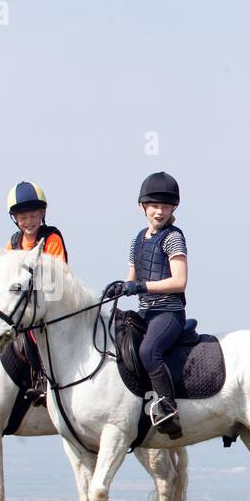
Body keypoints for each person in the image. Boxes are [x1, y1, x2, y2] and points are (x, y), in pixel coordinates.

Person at [104, 172, 188, 438]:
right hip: (145, 312)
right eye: (154, 206)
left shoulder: (173, 237)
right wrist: (120, 287)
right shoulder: (137, 239)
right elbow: (131, 278)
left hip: (168, 313)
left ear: (173, 208)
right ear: (143, 207)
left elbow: (180, 281)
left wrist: (140, 287)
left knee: (149, 350)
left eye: (165, 207)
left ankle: (167, 409)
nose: (159, 212)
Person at [5, 181, 67, 260]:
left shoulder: (52, 240)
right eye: (23, 218)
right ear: (15, 217)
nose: (29, 221)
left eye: (33, 216)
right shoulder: (12, 245)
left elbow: (58, 271)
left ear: (42, 213)